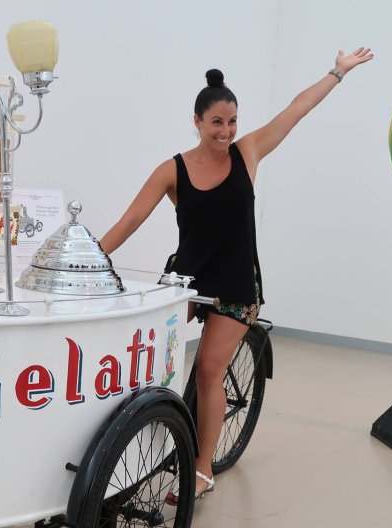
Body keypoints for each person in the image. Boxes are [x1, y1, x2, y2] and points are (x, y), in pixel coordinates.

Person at [100, 48, 374, 500]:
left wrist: (337, 72)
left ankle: (202, 468)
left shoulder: (247, 152)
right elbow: (131, 220)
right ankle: (143, 437)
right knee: (147, 355)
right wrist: (88, 259)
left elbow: (296, 110)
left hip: (235, 284)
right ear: (197, 121)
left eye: (231, 121)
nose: (226, 131)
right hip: (188, 279)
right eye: (216, 123)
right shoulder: (173, 169)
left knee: (209, 371)